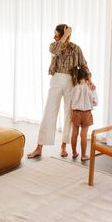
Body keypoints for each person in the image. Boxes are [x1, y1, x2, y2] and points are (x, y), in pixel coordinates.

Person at [27, 24, 95, 159]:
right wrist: (64, 36)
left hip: (71, 81)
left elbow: (84, 65)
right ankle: (39, 147)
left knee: (69, 114)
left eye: (57, 35)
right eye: (55, 35)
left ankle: (64, 145)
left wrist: (89, 79)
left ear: (66, 35)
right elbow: (56, 50)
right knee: (49, 111)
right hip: (56, 79)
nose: (54, 37)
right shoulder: (54, 45)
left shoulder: (76, 48)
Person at [70, 68, 98, 161]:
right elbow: (95, 102)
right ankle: (83, 155)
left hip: (76, 112)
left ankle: (74, 153)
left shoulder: (74, 87)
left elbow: (71, 100)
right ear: (87, 78)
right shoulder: (91, 88)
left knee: (74, 134)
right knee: (84, 135)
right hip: (86, 113)